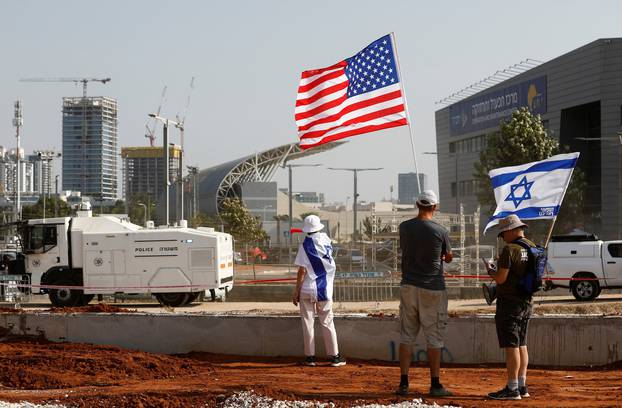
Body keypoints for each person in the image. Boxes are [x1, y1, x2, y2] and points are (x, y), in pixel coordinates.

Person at [397, 190, 453, 397]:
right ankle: (435, 384)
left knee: (407, 336)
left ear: (417, 204)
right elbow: (447, 257)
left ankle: (404, 383)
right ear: (435, 207)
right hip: (433, 287)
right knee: (434, 337)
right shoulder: (440, 230)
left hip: (409, 285)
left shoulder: (404, 227)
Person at [486, 214, 534, 400]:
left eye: (503, 233)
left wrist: (490, 270)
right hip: (526, 302)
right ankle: (522, 386)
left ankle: (512, 388)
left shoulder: (510, 250)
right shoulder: (532, 247)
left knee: (511, 346)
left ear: (512, 230)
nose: (503, 237)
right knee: (522, 343)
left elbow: (500, 279)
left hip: (510, 303)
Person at [292, 214, 345, 367]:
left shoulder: (304, 246)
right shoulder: (326, 240)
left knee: (307, 323)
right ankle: (335, 357)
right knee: (327, 322)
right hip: (324, 289)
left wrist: (296, 291)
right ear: (319, 227)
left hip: (307, 289)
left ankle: (310, 358)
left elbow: (302, 271)